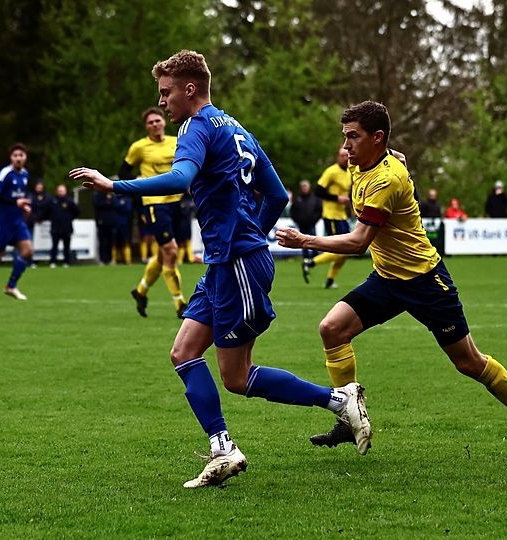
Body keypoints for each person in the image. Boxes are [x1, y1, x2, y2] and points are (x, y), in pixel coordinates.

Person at [70, 50, 371, 489]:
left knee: (236, 376)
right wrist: (248, 236)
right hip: (227, 261)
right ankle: (222, 449)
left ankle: (339, 401)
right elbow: (277, 195)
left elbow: (180, 179)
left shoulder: (195, 127)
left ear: (190, 89)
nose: (162, 102)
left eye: (166, 92)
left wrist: (113, 185)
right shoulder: (236, 128)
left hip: (238, 265)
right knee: (183, 352)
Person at [275, 100, 507, 461]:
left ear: (377, 137)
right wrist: (396, 160)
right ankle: (348, 416)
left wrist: (305, 241)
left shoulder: (386, 180)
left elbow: (358, 242)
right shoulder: (367, 162)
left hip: (425, 282)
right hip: (388, 279)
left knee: (469, 362)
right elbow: (397, 157)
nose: (346, 146)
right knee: (332, 329)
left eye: (353, 137)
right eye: (344, 137)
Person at [120, 107, 188, 318]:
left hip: (176, 202)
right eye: (150, 122)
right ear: (146, 127)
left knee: (163, 253)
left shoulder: (176, 141)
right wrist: (137, 187)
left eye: (157, 120)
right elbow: (123, 172)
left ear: (164, 122)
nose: (155, 124)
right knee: (171, 251)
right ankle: (180, 303)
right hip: (154, 204)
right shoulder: (139, 147)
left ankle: (140, 291)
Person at [0, 143, 33, 301]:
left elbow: (19, 197)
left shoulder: (25, 174)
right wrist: (16, 202)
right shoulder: (5, 173)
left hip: (17, 221)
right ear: (11, 158)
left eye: (21, 155)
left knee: (28, 251)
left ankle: (11, 286)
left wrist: (24, 207)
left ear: (25, 158)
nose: (18, 158)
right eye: (15, 155)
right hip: (2, 221)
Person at [302, 147, 352, 289]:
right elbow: (318, 191)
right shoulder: (331, 171)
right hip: (331, 216)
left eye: (347, 155)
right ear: (337, 157)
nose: (345, 158)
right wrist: (336, 198)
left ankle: (330, 279)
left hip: (342, 215)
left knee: (347, 250)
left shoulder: (349, 172)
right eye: (342, 155)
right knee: (342, 248)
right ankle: (311, 262)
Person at [44, 184, 80, 267]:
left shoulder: (69, 201)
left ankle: (66, 262)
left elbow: (77, 211)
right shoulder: (52, 201)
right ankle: (53, 262)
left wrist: (69, 218)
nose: (61, 192)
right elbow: (46, 212)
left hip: (67, 227)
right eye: (59, 191)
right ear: (57, 191)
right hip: (55, 227)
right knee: (54, 246)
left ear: (65, 191)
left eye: (62, 191)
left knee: (66, 246)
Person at [290, 180, 323, 259]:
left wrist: (314, 219)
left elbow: (319, 210)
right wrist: (298, 220)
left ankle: (315, 257)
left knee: (313, 239)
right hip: (302, 224)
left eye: (306, 187)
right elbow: (293, 211)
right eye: (303, 187)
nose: (304, 188)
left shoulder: (315, 198)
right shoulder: (297, 199)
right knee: (302, 240)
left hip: (312, 223)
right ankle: (306, 256)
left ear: (309, 188)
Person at [93, 191, 117, 264]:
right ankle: (102, 259)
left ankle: (110, 259)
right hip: (101, 221)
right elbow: (97, 204)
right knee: (102, 241)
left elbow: (115, 204)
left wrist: (107, 203)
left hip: (111, 221)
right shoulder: (97, 194)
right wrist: (107, 202)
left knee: (110, 241)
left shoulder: (111, 194)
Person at [113, 193, 134, 264]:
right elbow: (115, 205)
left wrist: (121, 205)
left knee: (126, 241)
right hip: (116, 223)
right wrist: (122, 204)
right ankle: (116, 259)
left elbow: (128, 208)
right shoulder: (115, 197)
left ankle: (128, 259)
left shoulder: (127, 198)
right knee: (115, 241)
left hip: (126, 223)